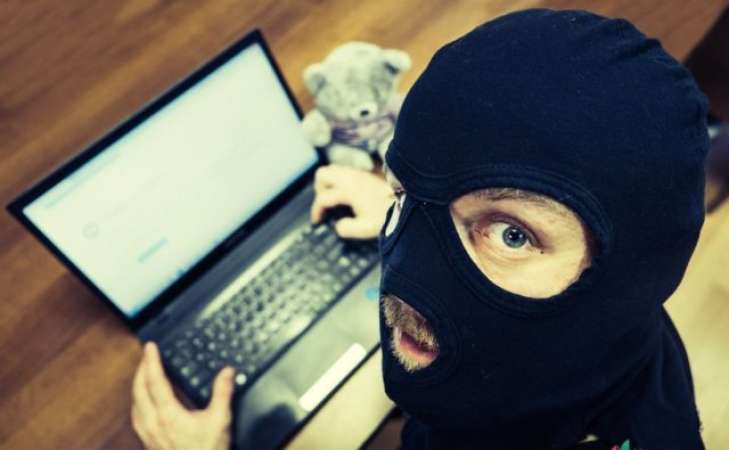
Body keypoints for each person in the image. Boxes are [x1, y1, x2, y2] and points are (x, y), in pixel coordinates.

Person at [131, 8, 710, 450]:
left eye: (511, 233)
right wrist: (415, 196)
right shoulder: (609, 352)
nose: (405, 285)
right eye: (402, 191)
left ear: (632, 275)